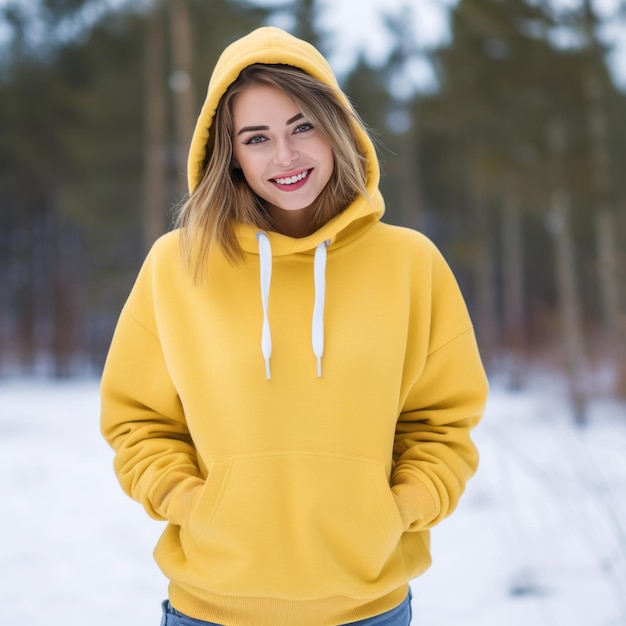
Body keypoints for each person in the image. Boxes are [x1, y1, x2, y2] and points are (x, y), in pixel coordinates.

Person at [100, 26, 489, 626]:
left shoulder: (411, 263)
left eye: (301, 126)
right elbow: (137, 421)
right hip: (211, 608)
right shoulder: (177, 265)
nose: (285, 157)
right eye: (257, 138)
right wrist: (195, 505)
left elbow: (442, 422)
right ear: (230, 154)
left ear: (337, 128)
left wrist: (397, 507)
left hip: (368, 607)